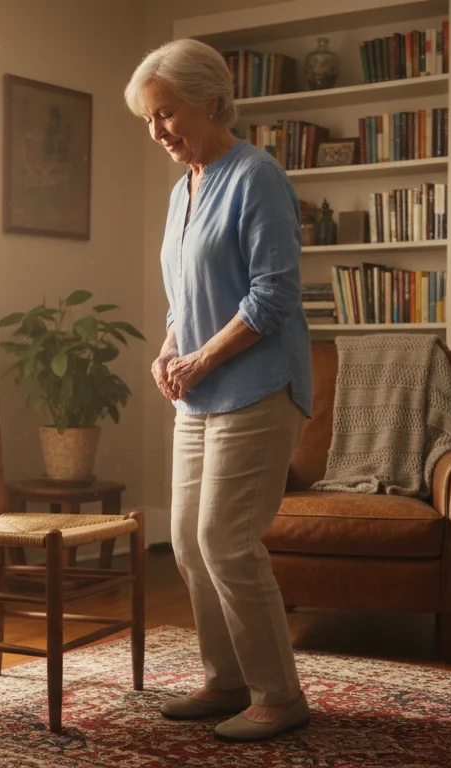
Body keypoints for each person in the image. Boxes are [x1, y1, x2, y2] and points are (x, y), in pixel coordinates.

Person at [123, 38, 313, 742]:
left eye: (167, 113)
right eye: (149, 119)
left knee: (225, 540)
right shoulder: (184, 190)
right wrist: (171, 349)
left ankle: (279, 694)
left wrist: (202, 357)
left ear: (209, 100)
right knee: (185, 539)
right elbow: (184, 295)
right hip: (198, 388)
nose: (158, 131)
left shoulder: (257, 175)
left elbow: (275, 296)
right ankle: (226, 678)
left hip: (260, 384)